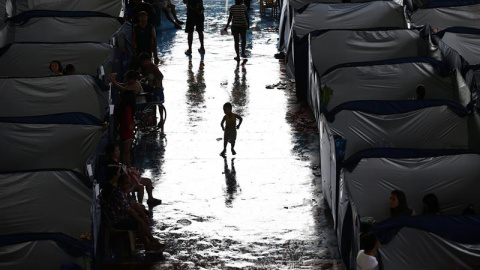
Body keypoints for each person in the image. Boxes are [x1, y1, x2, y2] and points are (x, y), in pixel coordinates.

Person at [105, 174, 165, 251]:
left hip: (123, 215)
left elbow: (133, 203)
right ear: (121, 184)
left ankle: (151, 241)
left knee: (142, 218)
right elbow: (130, 211)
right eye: (127, 184)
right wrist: (141, 219)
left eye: (129, 183)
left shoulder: (124, 191)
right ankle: (149, 244)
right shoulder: (119, 194)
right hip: (117, 220)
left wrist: (143, 214)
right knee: (139, 224)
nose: (129, 185)